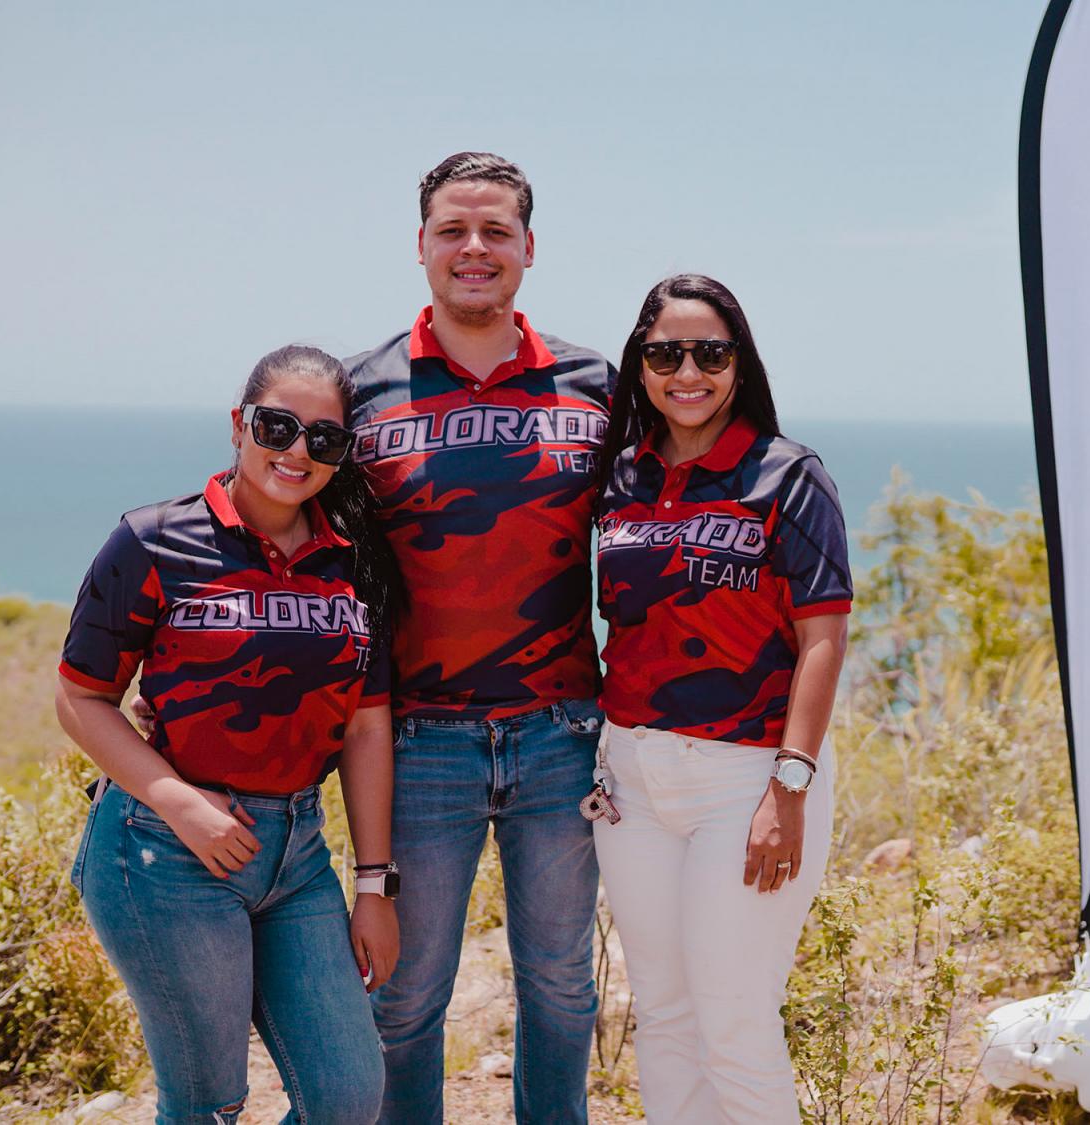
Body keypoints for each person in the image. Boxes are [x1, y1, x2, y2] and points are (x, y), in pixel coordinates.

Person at [57, 345, 401, 1124]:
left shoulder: (355, 564)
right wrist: (181, 802)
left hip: (298, 856)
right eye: (278, 426)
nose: (297, 451)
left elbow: (368, 726)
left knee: (348, 1096)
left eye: (324, 438)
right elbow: (81, 696)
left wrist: (374, 885)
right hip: (164, 853)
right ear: (240, 424)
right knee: (209, 1103)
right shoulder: (153, 539)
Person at [342, 152, 614, 1125]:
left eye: (495, 231)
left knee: (559, 989)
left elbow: (663, 522)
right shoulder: (361, 393)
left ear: (528, 249)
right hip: (416, 746)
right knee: (404, 1001)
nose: (473, 249)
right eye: (452, 230)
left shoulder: (595, 386)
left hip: (559, 739)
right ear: (419, 245)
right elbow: (294, 548)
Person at [589, 274, 852, 1123]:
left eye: (712, 351)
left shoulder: (786, 474)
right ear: (641, 365)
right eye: (666, 353)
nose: (688, 371)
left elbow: (823, 640)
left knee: (734, 1022)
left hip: (747, 779)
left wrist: (791, 784)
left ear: (740, 362)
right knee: (662, 1016)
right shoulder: (620, 476)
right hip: (634, 776)